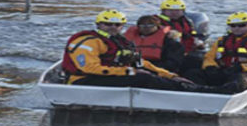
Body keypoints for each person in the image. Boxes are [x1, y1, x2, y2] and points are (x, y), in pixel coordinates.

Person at [61, 9, 200, 92]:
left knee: (149, 73)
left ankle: (184, 86)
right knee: (142, 77)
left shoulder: (121, 42)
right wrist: (129, 71)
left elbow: (141, 63)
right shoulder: (88, 42)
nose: (113, 27)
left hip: (108, 75)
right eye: (108, 24)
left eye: (117, 24)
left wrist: (170, 75)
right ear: (99, 24)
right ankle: (187, 91)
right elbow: (89, 67)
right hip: (82, 80)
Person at [183, 12, 247, 94]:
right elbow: (210, 57)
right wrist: (210, 66)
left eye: (242, 25)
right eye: (233, 26)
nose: (237, 28)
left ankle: (220, 92)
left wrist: (243, 67)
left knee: (240, 79)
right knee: (193, 73)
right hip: (227, 70)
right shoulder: (222, 40)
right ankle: (204, 91)